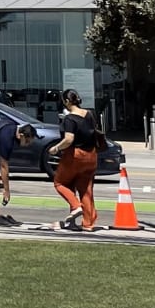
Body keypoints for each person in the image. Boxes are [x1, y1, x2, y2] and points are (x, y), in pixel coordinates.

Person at [49, 89, 104, 231]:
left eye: (63, 101)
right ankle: (88, 223)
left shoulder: (69, 119)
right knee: (86, 189)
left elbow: (69, 139)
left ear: (67, 101)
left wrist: (56, 148)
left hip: (75, 155)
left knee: (60, 183)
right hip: (91, 155)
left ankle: (76, 206)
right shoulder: (90, 114)